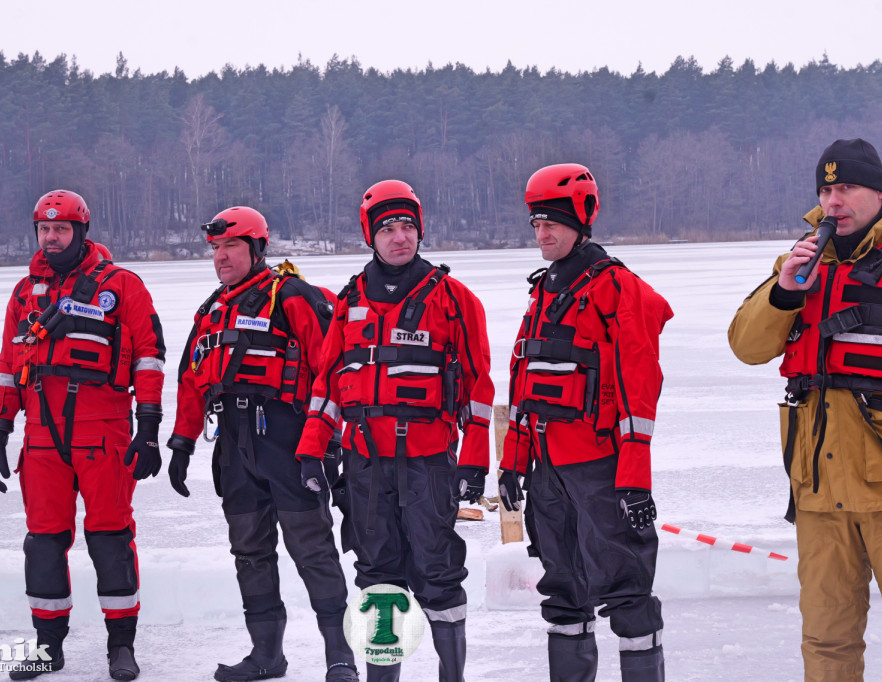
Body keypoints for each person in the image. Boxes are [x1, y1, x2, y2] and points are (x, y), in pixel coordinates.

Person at [295, 180, 495, 682]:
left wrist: (473, 462)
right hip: (364, 466)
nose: (399, 237)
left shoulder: (454, 299)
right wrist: (311, 450)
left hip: (429, 464)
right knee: (378, 576)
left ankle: (452, 675)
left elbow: (478, 388)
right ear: (371, 235)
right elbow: (327, 383)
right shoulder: (348, 301)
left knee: (438, 574)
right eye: (387, 228)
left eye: (408, 226)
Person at [166, 206, 358, 682]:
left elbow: (331, 372)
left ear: (256, 249)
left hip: (288, 441)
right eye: (215, 249)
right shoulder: (211, 309)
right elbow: (191, 380)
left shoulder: (291, 297)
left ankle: (341, 656)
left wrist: (327, 444)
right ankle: (266, 655)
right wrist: (182, 443)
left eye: (231, 247)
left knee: (313, 550)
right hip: (233, 446)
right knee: (249, 552)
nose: (221, 257)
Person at [497, 164, 672, 682]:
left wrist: (634, 480)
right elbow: (526, 385)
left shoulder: (618, 290)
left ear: (583, 221)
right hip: (547, 472)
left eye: (552, 222)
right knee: (563, 590)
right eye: (535, 223)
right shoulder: (544, 291)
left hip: (600, 469)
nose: (542, 233)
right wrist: (512, 463)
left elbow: (640, 394)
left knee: (626, 590)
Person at [729, 138, 882, 681]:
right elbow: (748, 347)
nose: (833, 201)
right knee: (826, 641)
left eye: (846, 187)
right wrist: (783, 293)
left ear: (878, 192)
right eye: (826, 189)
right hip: (819, 491)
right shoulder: (799, 261)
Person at [0, 189, 166, 680]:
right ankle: (48, 646)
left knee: (110, 537)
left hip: (104, 431)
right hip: (41, 436)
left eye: (60, 229)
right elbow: (8, 365)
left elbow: (149, 357)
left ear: (80, 231)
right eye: (44, 229)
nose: (51, 237)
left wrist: (148, 428)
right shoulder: (25, 293)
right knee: (43, 542)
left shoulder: (122, 285)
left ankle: (121, 647)